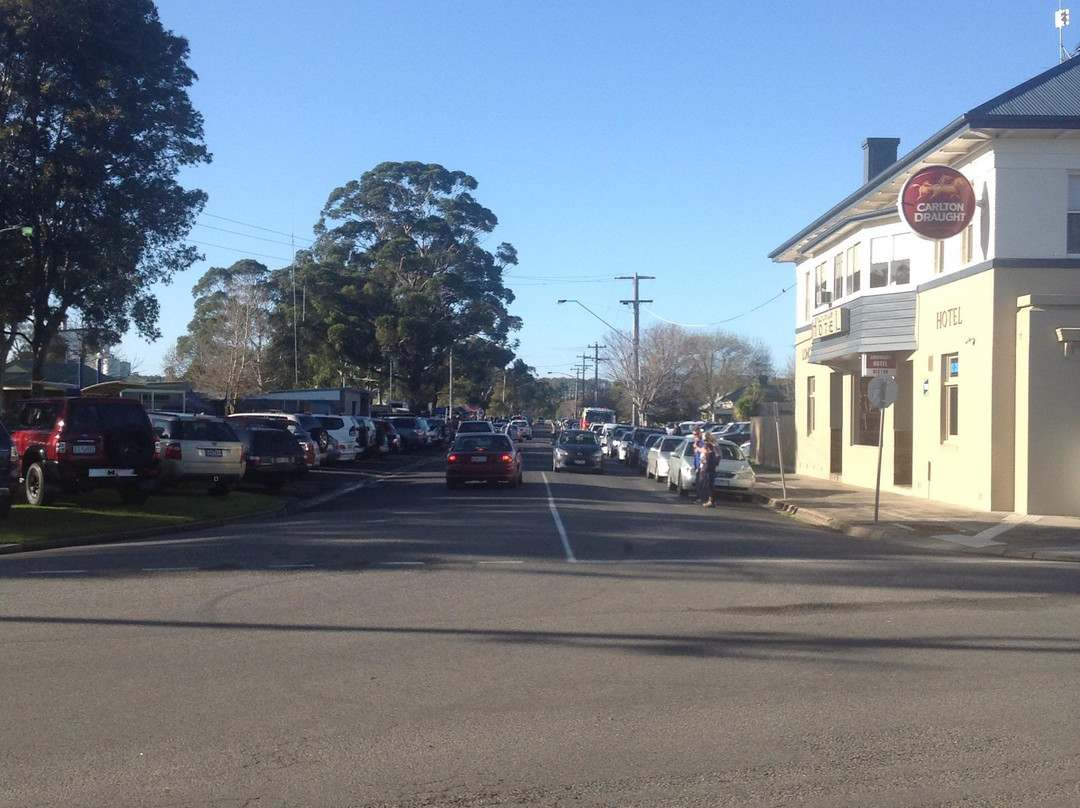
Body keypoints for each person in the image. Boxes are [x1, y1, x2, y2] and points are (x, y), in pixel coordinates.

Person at [701, 432, 720, 507]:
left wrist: (704, 465)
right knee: (709, 486)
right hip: (710, 472)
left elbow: (709, 464)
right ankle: (711, 501)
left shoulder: (710, 455)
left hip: (709, 473)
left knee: (709, 487)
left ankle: (711, 501)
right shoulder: (711, 454)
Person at [691, 427, 705, 502]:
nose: (695, 436)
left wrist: (696, 446)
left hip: (703, 465)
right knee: (698, 482)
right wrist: (696, 467)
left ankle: (702, 498)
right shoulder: (696, 441)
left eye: (696, 434)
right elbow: (696, 455)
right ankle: (698, 496)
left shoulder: (703, 441)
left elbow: (704, 451)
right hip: (698, 465)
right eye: (694, 435)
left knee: (701, 482)